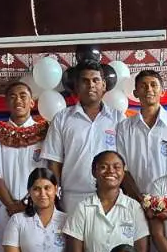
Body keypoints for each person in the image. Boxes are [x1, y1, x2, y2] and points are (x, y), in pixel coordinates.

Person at [0, 81, 47, 252]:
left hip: (39, 206)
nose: (18, 99)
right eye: (12, 96)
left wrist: (30, 202)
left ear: (32, 102)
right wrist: (12, 205)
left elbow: (47, 172)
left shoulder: (45, 132)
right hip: (8, 209)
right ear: (6, 102)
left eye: (23, 95)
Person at [64, 150, 150, 252]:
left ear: (123, 172)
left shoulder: (133, 207)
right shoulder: (82, 207)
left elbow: (142, 247)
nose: (111, 171)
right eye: (104, 167)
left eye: (117, 167)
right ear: (94, 171)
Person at [43, 62, 121, 215]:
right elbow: (54, 161)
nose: (90, 85)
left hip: (110, 197)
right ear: (77, 87)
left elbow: (125, 161)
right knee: (74, 239)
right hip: (72, 198)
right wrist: (56, 196)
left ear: (104, 85)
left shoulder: (118, 118)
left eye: (95, 80)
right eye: (85, 81)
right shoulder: (62, 118)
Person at [115, 69, 167, 195]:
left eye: (154, 85)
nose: (149, 89)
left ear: (163, 91)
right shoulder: (124, 127)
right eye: (143, 86)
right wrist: (139, 200)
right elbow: (122, 168)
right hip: (135, 199)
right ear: (135, 93)